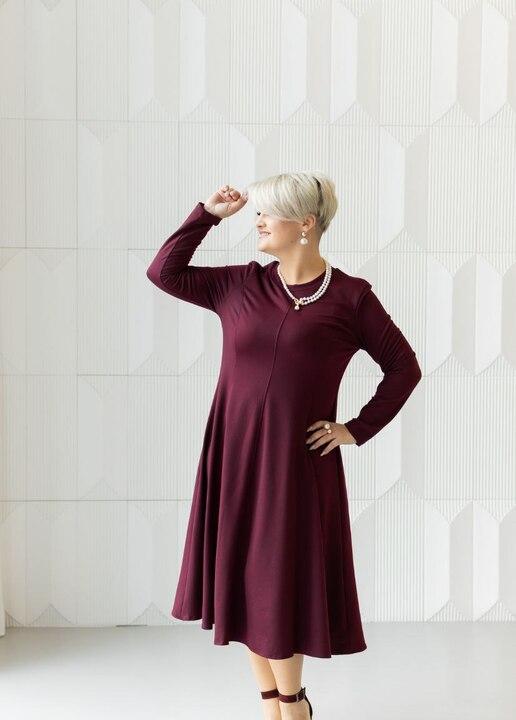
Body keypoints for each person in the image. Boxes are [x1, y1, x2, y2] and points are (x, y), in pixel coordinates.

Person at [146, 172, 422, 719]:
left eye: (266, 213)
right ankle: (274, 703)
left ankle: (293, 703)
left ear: (305, 224)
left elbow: (403, 368)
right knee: (245, 582)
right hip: (233, 458)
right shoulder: (238, 285)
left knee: (278, 582)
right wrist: (206, 215)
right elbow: (164, 272)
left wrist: (354, 429)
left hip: (295, 465)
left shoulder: (350, 298)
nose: (257, 223)